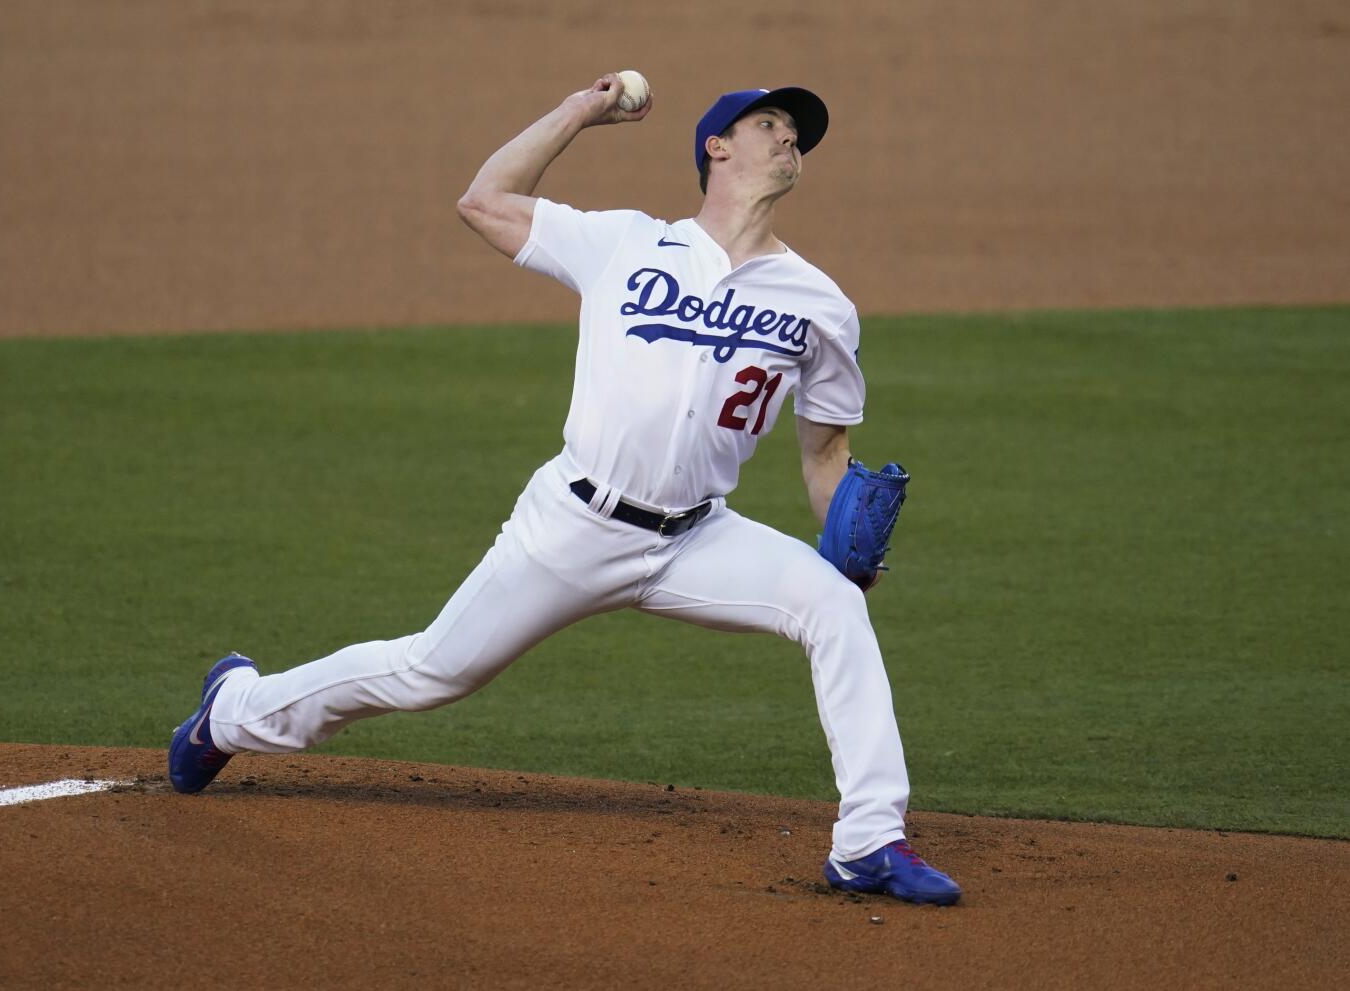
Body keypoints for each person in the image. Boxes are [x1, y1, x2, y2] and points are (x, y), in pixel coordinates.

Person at [169, 74, 961, 906]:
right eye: (770, 124)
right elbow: (484, 199)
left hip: (697, 538)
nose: (789, 138)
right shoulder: (624, 243)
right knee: (432, 671)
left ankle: (869, 840)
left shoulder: (821, 305)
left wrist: (849, 541)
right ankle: (234, 709)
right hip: (574, 525)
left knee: (834, 605)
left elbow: (825, 453)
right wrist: (584, 110)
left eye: (797, 132)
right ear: (716, 147)